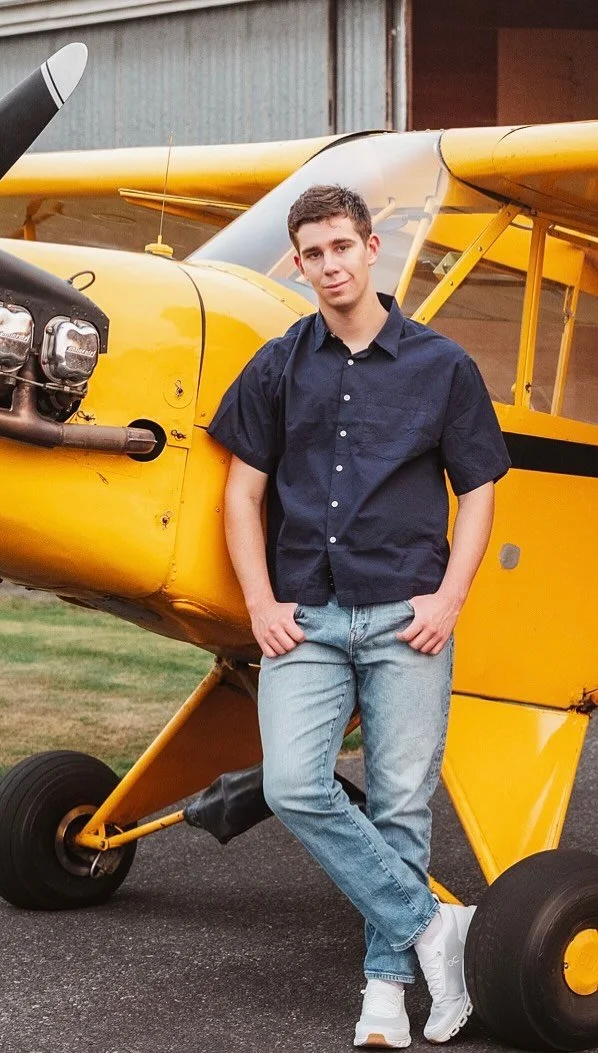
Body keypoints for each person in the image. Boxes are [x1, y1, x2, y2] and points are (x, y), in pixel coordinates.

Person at [207, 184, 511, 1048]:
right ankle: (434, 930)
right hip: (303, 615)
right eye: (313, 252)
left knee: (402, 808)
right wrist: (259, 600)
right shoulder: (276, 364)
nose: (330, 264)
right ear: (298, 263)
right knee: (293, 783)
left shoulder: (442, 365)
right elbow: (244, 492)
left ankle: (385, 993)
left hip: (406, 615)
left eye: (343, 246)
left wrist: (451, 596)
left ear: (372, 248)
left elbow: (480, 490)